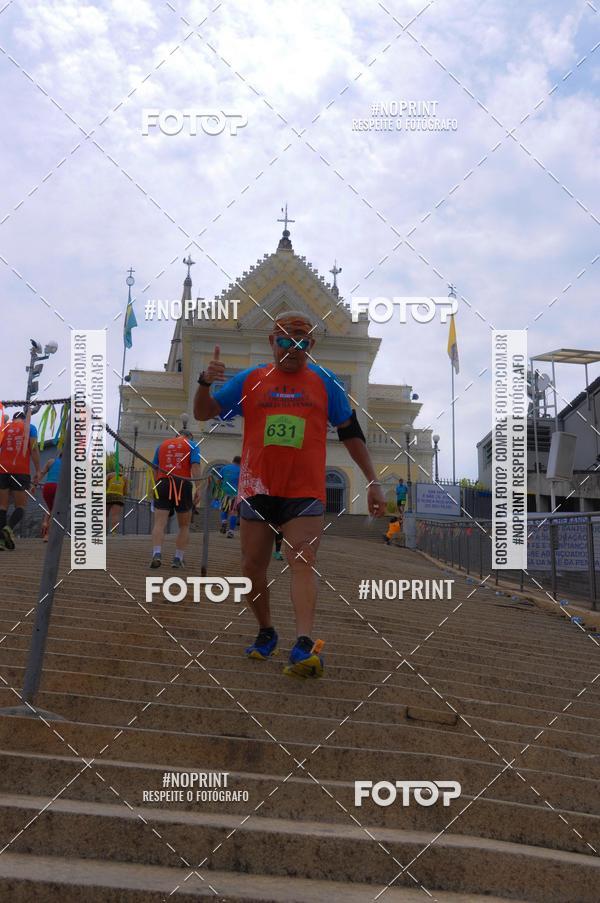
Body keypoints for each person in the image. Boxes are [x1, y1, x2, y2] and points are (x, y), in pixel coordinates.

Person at [193, 310, 386, 679]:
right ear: (271, 341)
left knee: (303, 559)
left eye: (301, 340)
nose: (293, 347)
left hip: (304, 491)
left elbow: (351, 432)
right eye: (285, 339)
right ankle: (266, 630)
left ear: (311, 345)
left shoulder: (325, 382)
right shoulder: (252, 379)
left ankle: (302, 643)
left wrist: (373, 481)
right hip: (257, 488)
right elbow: (204, 413)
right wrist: (204, 383)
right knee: (252, 567)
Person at [150, 429, 201, 571]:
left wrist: (156, 485)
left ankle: (157, 554)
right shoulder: (192, 445)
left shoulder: (162, 445)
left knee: (159, 523)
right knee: (184, 525)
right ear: (190, 436)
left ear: (176, 436)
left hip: (163, 482)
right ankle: (178, 558)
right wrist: (198, 488)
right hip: (182, 483)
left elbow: (154, 468)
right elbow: (195, 466)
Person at [0, 410, 41, 550]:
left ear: (13, 419)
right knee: (21, 506)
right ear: (24, 419)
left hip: (3, 470)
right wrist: (38, 469)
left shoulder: (5, 428)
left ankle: (1, 541)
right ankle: (8, 529)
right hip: (21, 470)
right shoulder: (30, 428)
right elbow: (34, 449)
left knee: (2, 506)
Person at [216, 455, 241, 538]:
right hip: (235, 494)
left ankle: (224, 522)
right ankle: (230, 532)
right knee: (233, 512)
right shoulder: (241, 470)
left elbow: (218, 480)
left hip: (225, 493)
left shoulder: (225, 468)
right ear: (240, 462)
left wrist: (220, 489)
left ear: (233, 460)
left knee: (224, 509)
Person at [40, 452, 62, 541]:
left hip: (47, 487)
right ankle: (47, 534)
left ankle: (45, 523)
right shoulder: (70, 465)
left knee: (50, 509)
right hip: (58, 487)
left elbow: (42, 473)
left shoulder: (51, 461)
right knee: (55, 510)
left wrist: (34, 485)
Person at [106, 468, 128, 534]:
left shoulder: (110, 475)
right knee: (115, 515)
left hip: (109, 495)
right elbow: (125, 491)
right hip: (119, 496)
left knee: (105, 514)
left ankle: (104, 531)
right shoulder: (124, 478)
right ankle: (114, 532)